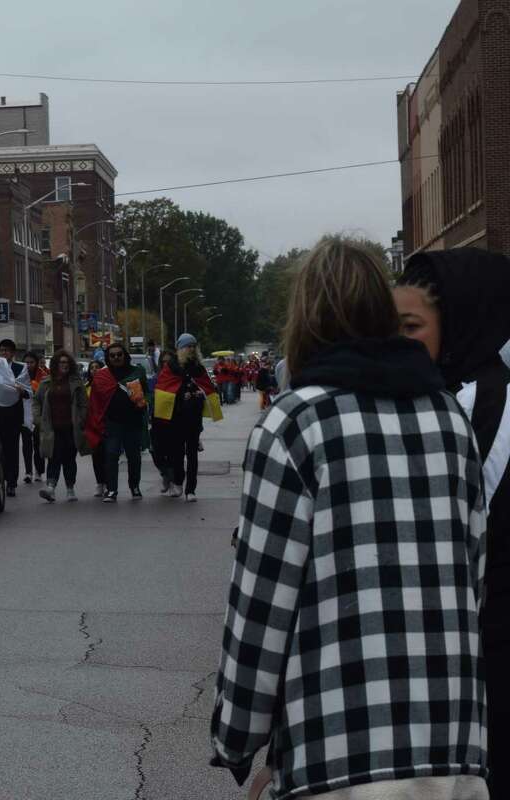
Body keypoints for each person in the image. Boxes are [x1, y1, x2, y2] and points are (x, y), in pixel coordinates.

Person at [214, 236, 489, 800]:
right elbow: (474, 578)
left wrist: (236, 738)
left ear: (307, 316)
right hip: (453, 751)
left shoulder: (295, 424)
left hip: (339, 752)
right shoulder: (449, 419)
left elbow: (263, 603)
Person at [396, 247, 510, 797]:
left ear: (460, 320)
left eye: (411, 326)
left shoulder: (472, 405)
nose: (399, 340)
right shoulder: (455, 393)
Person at [156, 334, 217, 502]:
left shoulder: (199, 367)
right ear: (180, 348)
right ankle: (178, 482)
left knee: (192, 454)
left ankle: (191, 490)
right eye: (187, 346)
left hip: (193, 417)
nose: (191, 349)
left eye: (193, 346)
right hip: (175, 417)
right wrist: (181, 395)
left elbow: (208, 388)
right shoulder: (171, 367)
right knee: (177, 453)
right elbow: (163, 389)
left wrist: (199, 393)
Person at [87, 342, 148, 502]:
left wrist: (143, 402)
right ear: (108, 358)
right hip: (112, 423)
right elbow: (95, 401)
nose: (116, 358)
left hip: (132, 422)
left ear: (125, 355)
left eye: (119, 354)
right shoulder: (101, 376)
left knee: (134, 456)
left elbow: (147, 394)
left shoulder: (137, 372)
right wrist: (96, 422)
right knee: (111, 455)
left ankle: (135, 487)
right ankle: (112, 490)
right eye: (112, 355)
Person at [33, 350, 86, 502]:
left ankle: (70, 488)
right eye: (61, 362)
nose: (65, 365)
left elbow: (84, 404)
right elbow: (36, 401)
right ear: (55, 364)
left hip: (71, 427)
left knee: (69, 458)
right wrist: (38, 420)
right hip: (52, 428)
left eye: (67, 362)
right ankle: (51, 488)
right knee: (53, 457)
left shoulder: (76, 382)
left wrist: (81, 419)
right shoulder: (46, 382)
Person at [0, 340, 32, 497]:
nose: (4, 353)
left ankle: (11, 482)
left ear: (13, 353)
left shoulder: (20, 368)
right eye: (2, 350)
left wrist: (17, 389)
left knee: (12, 447)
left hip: (13, 413)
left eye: (7, 350)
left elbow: (27, 391)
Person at [149, 350, 178, 494]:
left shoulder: (179, 378)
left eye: (169, 362)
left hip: (175, 420)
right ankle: (165, 474)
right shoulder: (156, 378)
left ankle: (173, 481)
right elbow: (148, 397)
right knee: (156, 451)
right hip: (158, 419)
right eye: (163, 362)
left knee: (173, 452)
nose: (166, 364)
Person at [21, 351, 48, 484]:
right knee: (26, 444)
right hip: (24, 413)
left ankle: (39, 470)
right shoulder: (20, 376)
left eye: (31, 362)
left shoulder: (43, 376)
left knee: (38, 444)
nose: (28, 365)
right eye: (26, 362)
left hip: (38, 414)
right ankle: (28, 472)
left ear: (36, 363)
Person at [85, 360, 108, 496]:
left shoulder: (106, 386)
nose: (94, 370)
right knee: (96, 456)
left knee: (107, 456)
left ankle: (108, 482)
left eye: (97, 367)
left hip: (105, 425)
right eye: (91, 368)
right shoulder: (86, 387)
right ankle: (99, 483)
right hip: (92, 426)